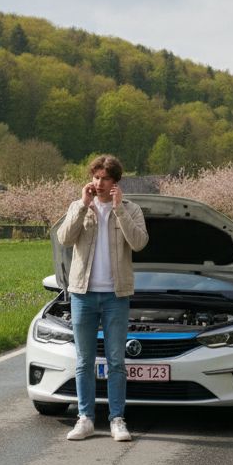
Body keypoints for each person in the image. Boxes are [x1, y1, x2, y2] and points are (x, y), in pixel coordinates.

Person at [56, 154, 149, 441]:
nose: (98, 183)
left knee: (116, 361)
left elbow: (140, 243)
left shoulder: (131, 209)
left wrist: (119, 209)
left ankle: (117, 419)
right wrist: (83, 206)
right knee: (84, 360)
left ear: (115, 182)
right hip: (83, 294)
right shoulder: (79, 206)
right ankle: (85, 418)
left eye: (105, 178)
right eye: (95, 177)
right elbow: (64, 238)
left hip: (116, 296)